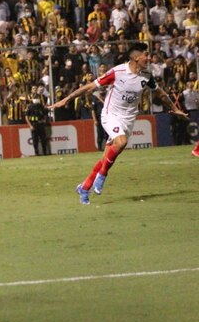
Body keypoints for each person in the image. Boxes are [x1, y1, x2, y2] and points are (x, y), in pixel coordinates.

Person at [50, 43, 188, 205]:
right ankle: (102, 176)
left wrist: (175, 108)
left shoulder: (146, 76)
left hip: (128, 119)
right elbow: (90, 86)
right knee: (121, 142)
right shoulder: (118, 72)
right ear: (136, 57)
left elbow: (161, 94)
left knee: (106, 157)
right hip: (111, 115)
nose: (149, 58)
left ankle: (85, 187)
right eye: (146, 55)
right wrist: (66, 99)